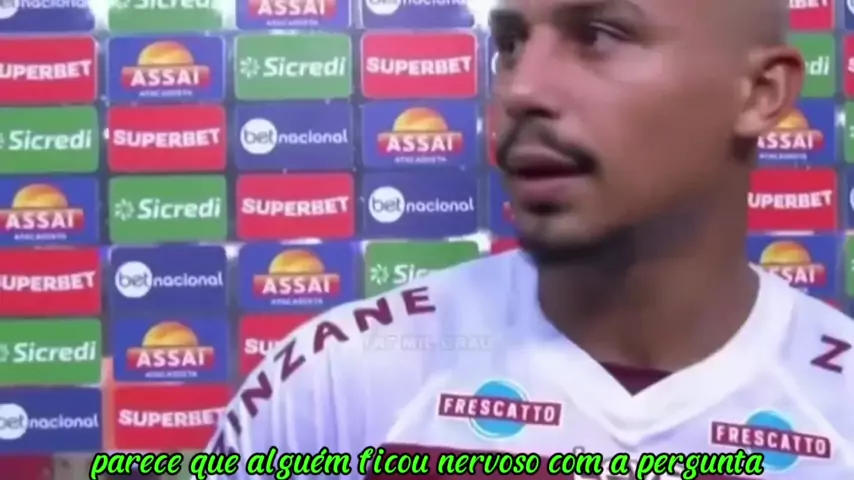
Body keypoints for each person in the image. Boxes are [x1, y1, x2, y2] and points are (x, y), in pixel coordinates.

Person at [202, 0, 854, 478]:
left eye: (599, 35)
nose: (521, 89)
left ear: (760, 93)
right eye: (511, 45)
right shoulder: (340, 380)